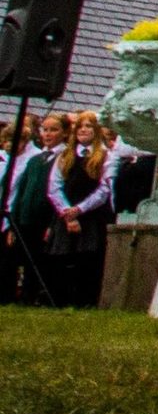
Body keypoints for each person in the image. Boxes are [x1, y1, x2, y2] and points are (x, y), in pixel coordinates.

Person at [39, 116, 114, 308]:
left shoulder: (106, 156)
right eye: (79, 126)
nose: (83, 130)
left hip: (92, 215)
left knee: (87, 259)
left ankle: (85, 302)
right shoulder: (65, 155)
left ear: (96, 130)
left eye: (88, 126)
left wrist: (80, 209)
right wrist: (67, 212)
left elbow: (104, 189)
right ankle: (59, 301)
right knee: (62, 258)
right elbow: (54, 186)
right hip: (65, 215)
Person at [5, 113, 62, 305]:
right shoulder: (35, 160)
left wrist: (52, 223)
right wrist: (13, 221)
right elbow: (21, 192)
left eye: (53, 130)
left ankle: (38, 297)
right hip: (24, 218)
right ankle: (19, 297)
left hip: (44, 219)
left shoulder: (62, 158)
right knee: (19, 258)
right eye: (45, 130)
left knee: (39, 261)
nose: (47, 134)